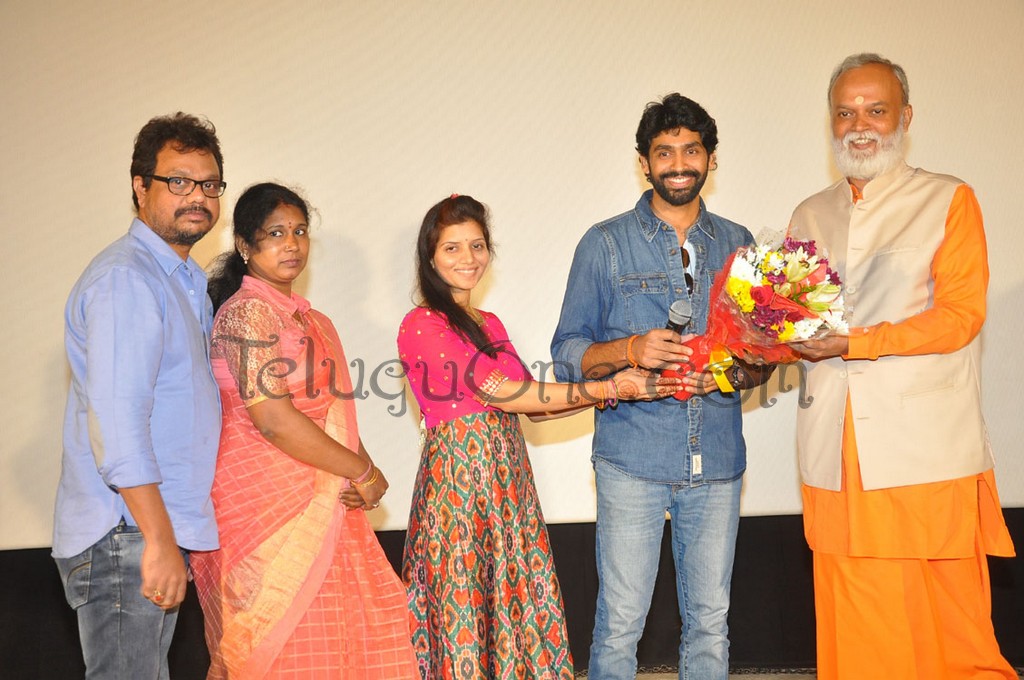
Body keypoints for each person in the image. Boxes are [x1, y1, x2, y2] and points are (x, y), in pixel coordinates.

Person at [789, 53, 1016, 679]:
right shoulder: (809, 214)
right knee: (856, 615)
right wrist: (764, 334)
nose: (859, 125)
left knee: (952, 628)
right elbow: (799, 323)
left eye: (876, 110)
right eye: (845, 113)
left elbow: (960, 317)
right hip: (834, 450)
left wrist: (855, 342)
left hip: (924, 453)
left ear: (905, 117)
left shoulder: (947, 198)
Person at [398, 195, 678, 679]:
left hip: (509, 491)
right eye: (452, 248)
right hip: (458, 495)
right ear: (430, 257)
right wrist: (610, 387)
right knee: (464, 613)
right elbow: (504, 393)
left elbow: (537, 409)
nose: (468, 258)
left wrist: (620, 384)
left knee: (517, 613)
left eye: (477, 245)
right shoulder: (422, 323)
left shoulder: (489, 324)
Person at [551, 94, 773, 679]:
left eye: (691, 151)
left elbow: (761, 361)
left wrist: (734, 370)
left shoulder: (739, 243)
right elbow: (567, 355)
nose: (679, 164)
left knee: (710, 622)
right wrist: (629, 350)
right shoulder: (604, 243)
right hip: (632, 461)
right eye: (664, 152)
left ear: (711, 159)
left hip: (717, 460)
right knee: (620, 623)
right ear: (644, 162)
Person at [191, 183, 417, 678]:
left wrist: (362, 472)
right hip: (263, 509)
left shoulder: (315, 321)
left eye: (299, 231)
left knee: (347, 640)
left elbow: (335, 414)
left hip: (325, 499)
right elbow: (273, 421)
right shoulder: (246, 314)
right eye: (275, 233)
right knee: (283, 651)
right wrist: (362, 470)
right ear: (245, 245)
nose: (291, 243)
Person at [52, 112, 225, 678]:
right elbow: (119, 425)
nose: (196, 196)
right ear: (140, 186)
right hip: (127, 534)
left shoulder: (183, 280)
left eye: (209, 184)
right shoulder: (128, 277)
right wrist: (158, 538)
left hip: (143, 532)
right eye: (178, 181)